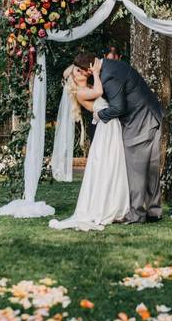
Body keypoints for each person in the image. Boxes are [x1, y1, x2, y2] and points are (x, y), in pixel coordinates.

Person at [73, 50, 164, 224]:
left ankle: (136, 214)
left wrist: (99, 116)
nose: (86, 75)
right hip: (152, 114)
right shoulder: (111, 65)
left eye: (84, 72)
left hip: (139, 121)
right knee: (151, 167)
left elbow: (118, 108)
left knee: (135, 168)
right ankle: (154, 210)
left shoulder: (108, 76)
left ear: (90, 68)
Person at [50, 60, 129, 230]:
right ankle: (104, 208)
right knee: (107, 164)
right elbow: (99, 91)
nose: (82, 73)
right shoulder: (80, 93)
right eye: (77, 72)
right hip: (106, 128)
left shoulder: (88, 88)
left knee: (114, 164)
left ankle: (115, 206)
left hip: (110, 124)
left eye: (81, 70)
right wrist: (96, 72)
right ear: (73, 78)